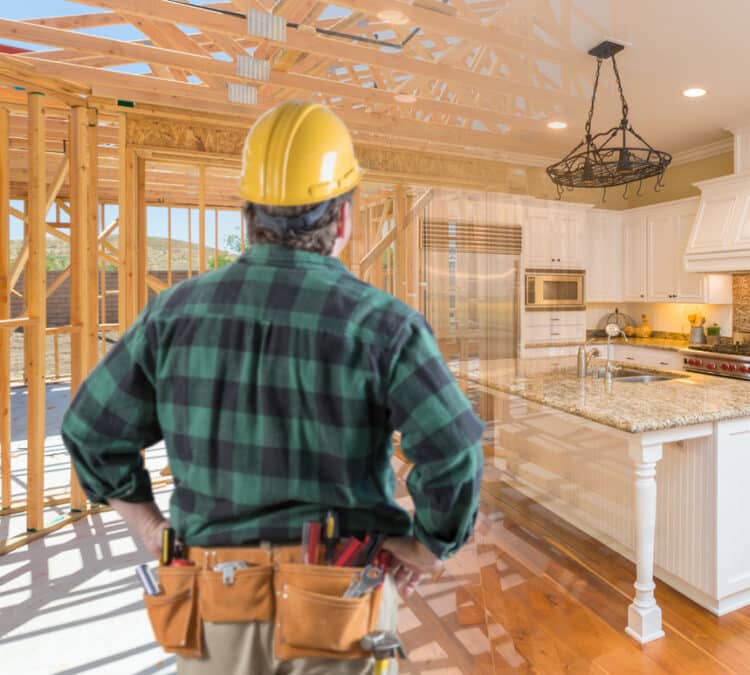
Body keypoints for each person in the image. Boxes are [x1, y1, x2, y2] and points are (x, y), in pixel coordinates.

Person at [61, 101, 484, 674]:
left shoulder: (173, 315)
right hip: (341, 599)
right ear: (342, 219)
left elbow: (90, 431)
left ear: (249, 217)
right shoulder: (385, 326)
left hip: (215, 602)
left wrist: (150, 528)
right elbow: (453, 449)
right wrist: (428, 545)